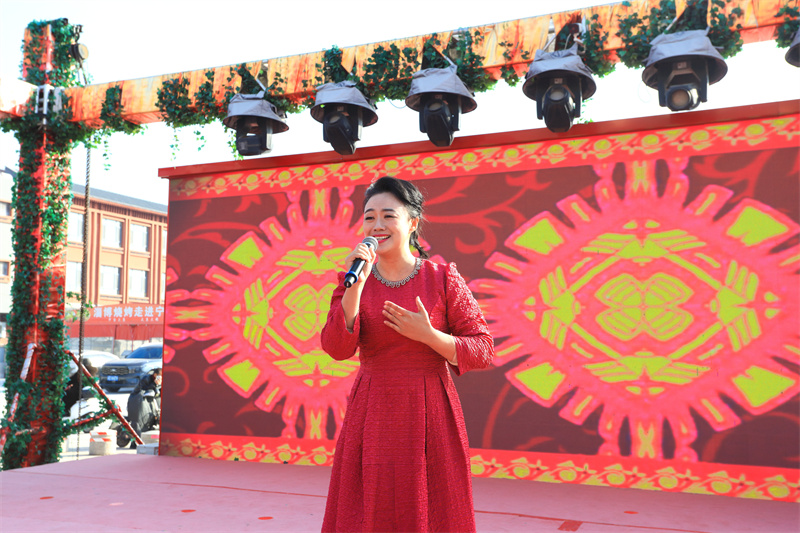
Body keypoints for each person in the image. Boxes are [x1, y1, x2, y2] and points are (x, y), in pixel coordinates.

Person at [320, 176, 494, 532]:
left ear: (412, 223)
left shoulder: (442, 277)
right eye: (369, 217)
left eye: (388, 215)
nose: (377, 225)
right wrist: (355, 289)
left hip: (430, 408)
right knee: (371, 505)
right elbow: (336, 348)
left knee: (432, 505)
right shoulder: (352, 279)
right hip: (373, 410)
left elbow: (482, 349)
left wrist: (430, 337)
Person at [118, 367, 161, 448]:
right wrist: (155, 384)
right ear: (155, 375)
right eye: (159, 375)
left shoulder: (160, 382)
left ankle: (144, 441)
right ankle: (134, 442)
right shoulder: (146, 379)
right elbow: (143, 389)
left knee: (149, 420)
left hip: (148, 402)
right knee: (137, 422)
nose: (160, 378)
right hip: (137, 400)